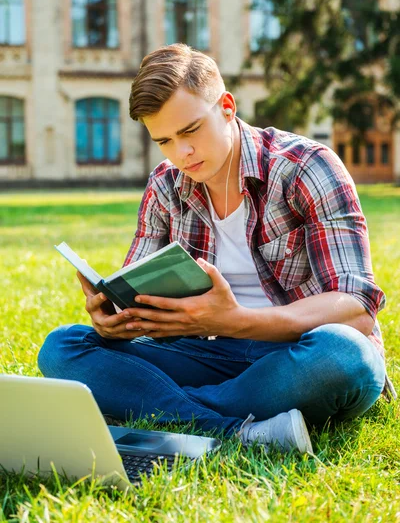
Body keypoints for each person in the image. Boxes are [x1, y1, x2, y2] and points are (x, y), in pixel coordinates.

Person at [38, 43, 397, 455]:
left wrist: (237, 320)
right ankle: (237, 429)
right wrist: (116, 319)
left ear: (227, 106)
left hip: (296, 352)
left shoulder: (306, 167)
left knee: (346, 356)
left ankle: (165, 407)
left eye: (190, 131)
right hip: (204, 352)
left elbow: (356, 308)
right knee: (63, 348)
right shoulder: (166, 184)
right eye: (165, 141)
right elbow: (139, 292)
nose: (181, 154)